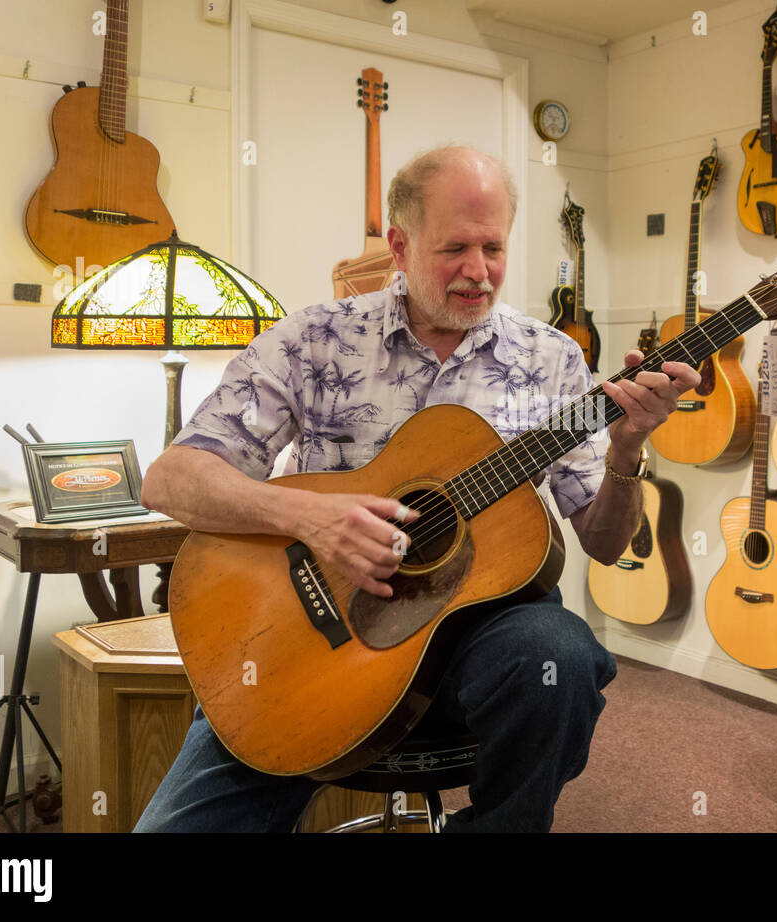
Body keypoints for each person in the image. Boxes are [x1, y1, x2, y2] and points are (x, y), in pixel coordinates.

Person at [134, 146, 701, 833]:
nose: (478, 271)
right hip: (306, 642)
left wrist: (628, 449)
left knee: (563, 654)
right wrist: (312, 518)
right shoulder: (314, 339)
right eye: (454, 248)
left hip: (475, 639)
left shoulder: (551, 359)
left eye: (493, 247)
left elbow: (607, 544)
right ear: (400, 246)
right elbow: (171, 480)